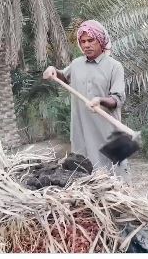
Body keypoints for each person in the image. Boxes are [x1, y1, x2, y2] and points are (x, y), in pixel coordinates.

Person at [43, 20, 130, 182]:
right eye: (83, 42)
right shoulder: (76, 64)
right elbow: (64, 76)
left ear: (101, 41)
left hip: (109, 129)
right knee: (85, 171)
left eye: (91, 40)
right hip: (82, 129)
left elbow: (117, 98)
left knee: (118, 174)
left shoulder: (115, 66)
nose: (86, 45)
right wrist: (53, 71)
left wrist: (100, 101)